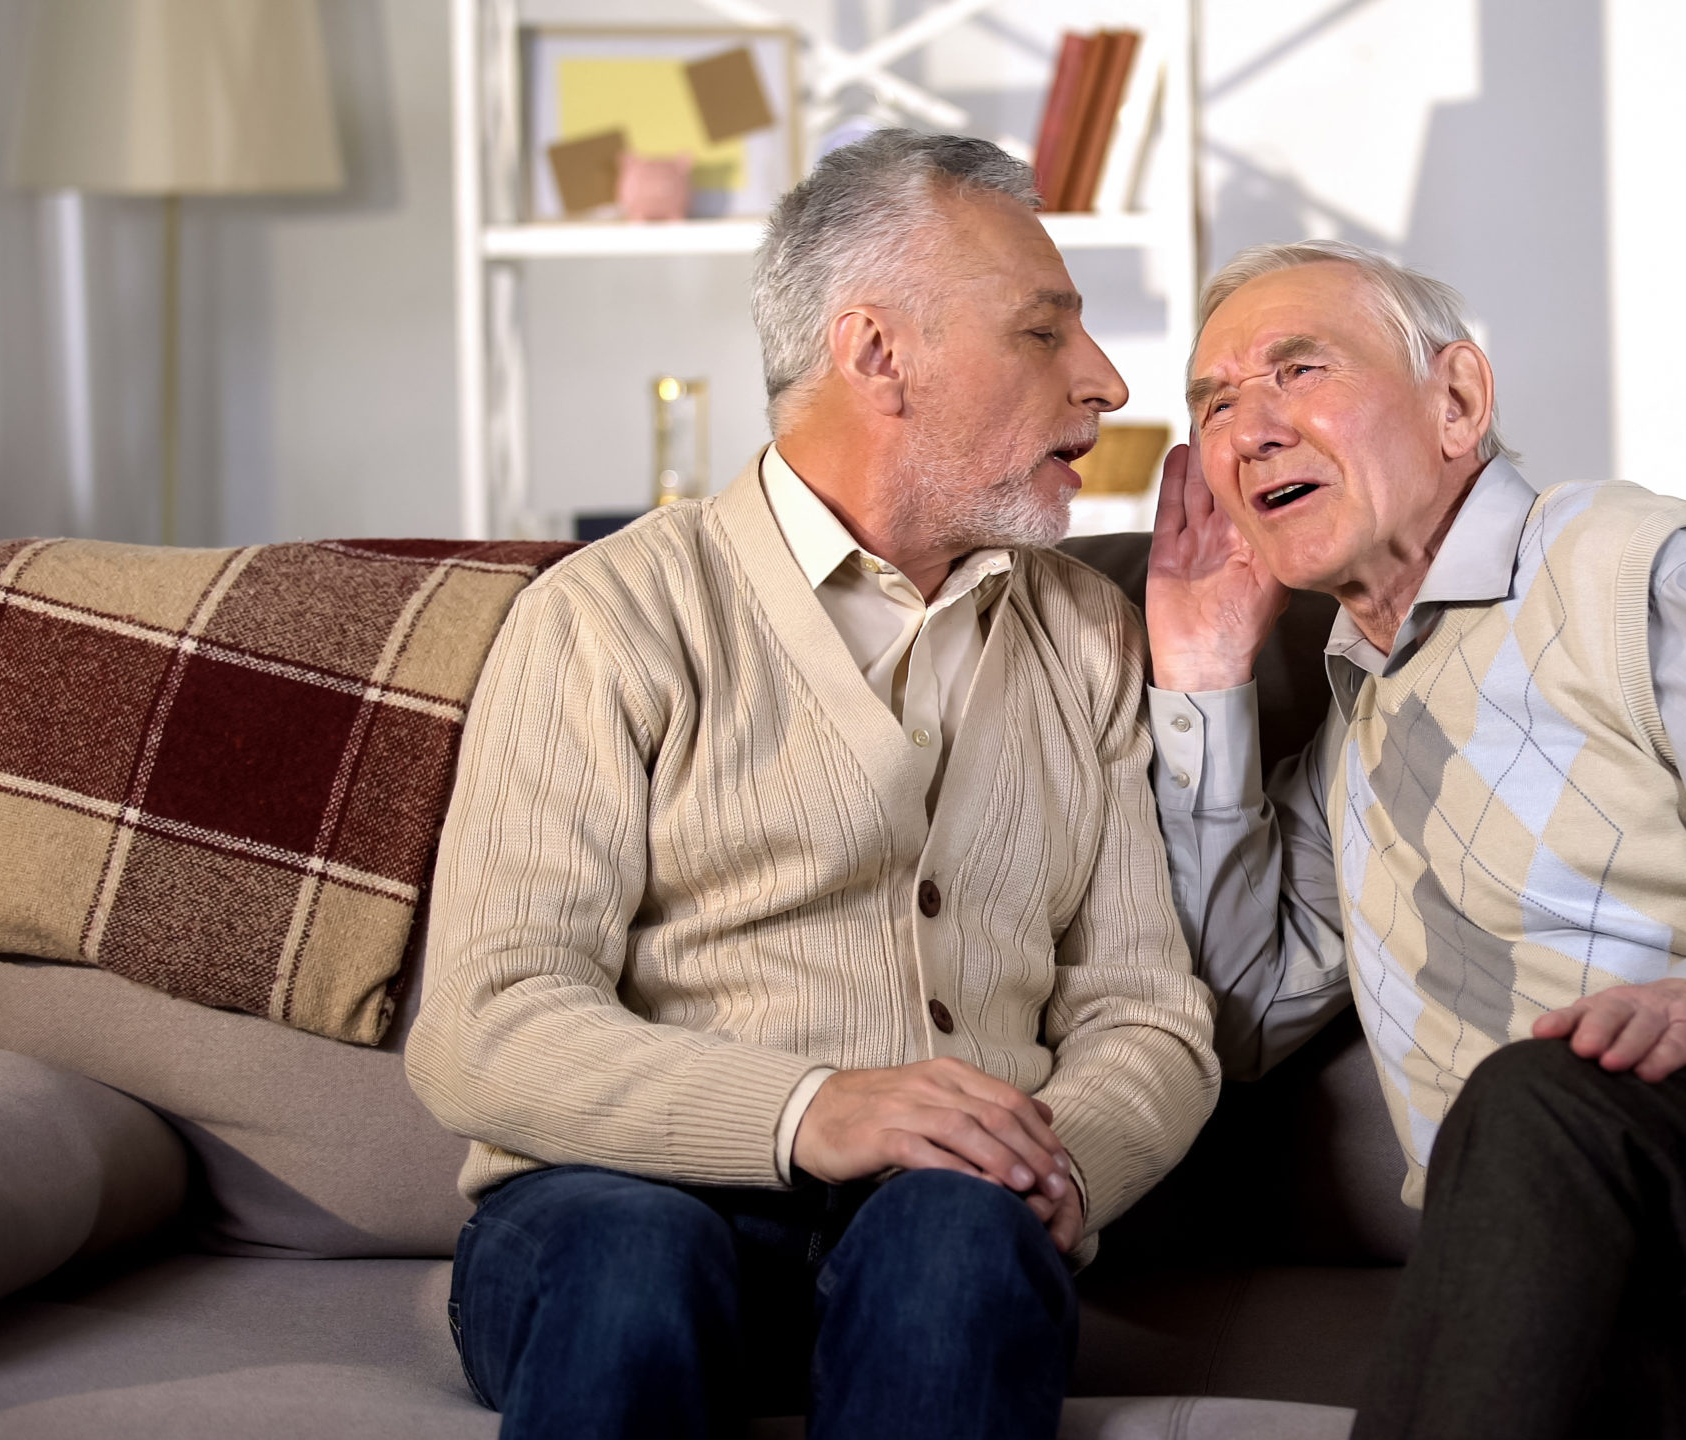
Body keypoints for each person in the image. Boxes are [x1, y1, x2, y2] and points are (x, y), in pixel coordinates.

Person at [1143, 239, 1686, 1440]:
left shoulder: (1619, 566)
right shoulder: (1353, 714)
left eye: (1295, 370)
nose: (1245, 427)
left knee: (1530, 1095)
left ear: (1458, 398)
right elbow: (1242, 1014)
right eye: (1211, 400)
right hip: (1607, 1275)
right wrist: (1201, 679)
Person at [406, 130, 1219, 1440]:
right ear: (876, 353)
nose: (1109, 382)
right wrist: (808, 1111)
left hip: (941, 1222)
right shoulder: (612, 615)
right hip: (616, 1207)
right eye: (1044, 332)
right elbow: (489, 1022)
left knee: (958, 1243)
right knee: (632, 1262)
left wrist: (1061, 1156)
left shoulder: (1085, 636)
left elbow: (1145, 1007)